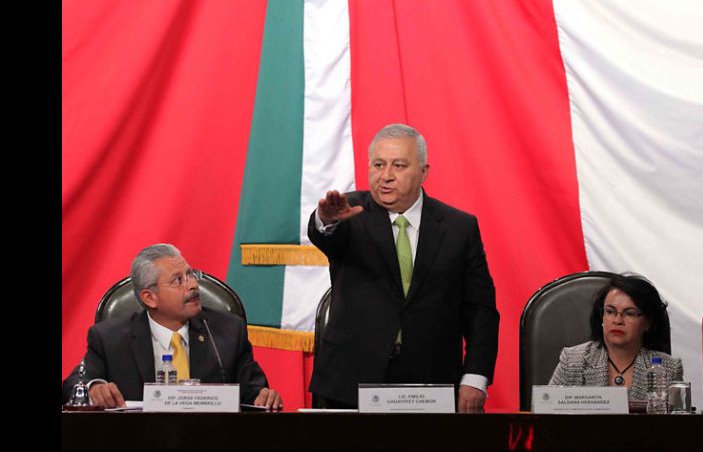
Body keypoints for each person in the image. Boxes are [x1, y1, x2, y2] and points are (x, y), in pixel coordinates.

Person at [308, 123, 500, 412]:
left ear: (423, 171)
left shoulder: (459, 228)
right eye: (378, 164)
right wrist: (326, 220)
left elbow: (480, 310)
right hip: (350, 383)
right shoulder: (348, 214)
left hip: (432, 384)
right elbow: (325, 235)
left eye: (398, 165)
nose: (386, 176)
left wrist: (474, 379)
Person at [62, 243, 282, 410]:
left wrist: (263, 396)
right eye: (178, 280)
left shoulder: (227, 331)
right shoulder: (110, 339)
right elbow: (74, 384)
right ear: (150, 298)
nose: (194, 285)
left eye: (190, 274)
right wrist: (93, 388)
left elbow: (253, 390)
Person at [549, 274, 683, 400]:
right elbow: (547, 415)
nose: (617, 320)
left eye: (629, 313)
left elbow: (677, 423)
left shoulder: (669, 369)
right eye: (610, 311)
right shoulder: (572, 361)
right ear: (601, 316)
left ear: (647, 322)